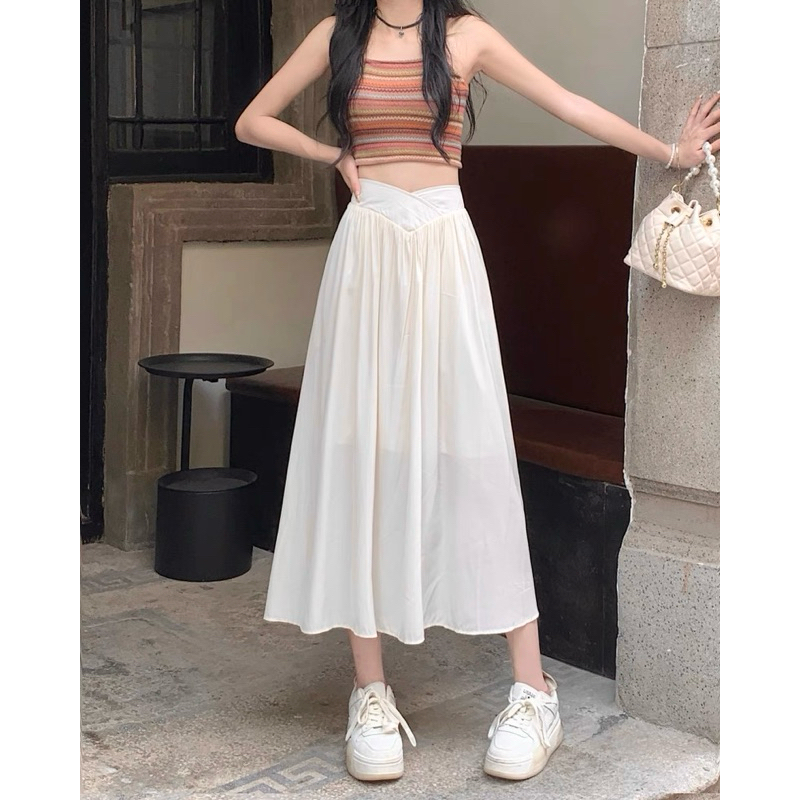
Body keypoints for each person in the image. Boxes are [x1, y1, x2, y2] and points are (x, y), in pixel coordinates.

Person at [234, 0, 720, 784]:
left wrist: (672, 150)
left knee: (477, 455)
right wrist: (333, 155)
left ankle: (533, 690)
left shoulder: (466, 36)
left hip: (444, 250)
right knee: (363, 453)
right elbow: (252, 121)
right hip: (367, 254)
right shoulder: (337, 34)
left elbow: (569, 104)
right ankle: (370, 691)